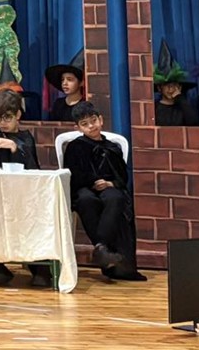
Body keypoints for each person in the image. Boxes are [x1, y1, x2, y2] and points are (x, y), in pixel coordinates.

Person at [0, 89, 52, 287]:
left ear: (18, 115)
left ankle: (39, 268)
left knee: (30, 217)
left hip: (24, 196)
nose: (2, 122)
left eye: (7, 117)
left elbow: (33, 168)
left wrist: (14, 148)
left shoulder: (25, 137)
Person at [62, 104, 146, 282]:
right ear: (78, 128)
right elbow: (72, 174)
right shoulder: (75, 147)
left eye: (93, 121)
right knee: (87, 200)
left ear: (100, 120)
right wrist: (92, 182)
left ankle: (101, 247)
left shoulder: (112, 148)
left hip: (107, 186)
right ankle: (103, 249)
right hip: (84, 187)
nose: (91, 126)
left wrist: (110, 183)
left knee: (116, 197)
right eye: (85, 124)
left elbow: (122, 176)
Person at [153, 40, 198, 126]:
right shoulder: (154, 108)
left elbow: (194, 122)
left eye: (174, 85)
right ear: (159, 88)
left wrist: (180, 98)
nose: (170, 89)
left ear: (179, 87)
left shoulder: (183, 107)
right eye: (166, 85)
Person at [46, 49, 87, 121]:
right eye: (62, 80)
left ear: (81, 83)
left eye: (69, 79)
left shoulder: (85, 105)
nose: (65, 83)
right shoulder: (58, 104)